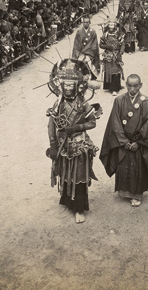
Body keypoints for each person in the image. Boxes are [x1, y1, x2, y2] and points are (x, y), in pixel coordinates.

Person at [99, 74, 148, 207]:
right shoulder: (119, 100)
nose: (132, 89)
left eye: (135, 86)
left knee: (137, 168)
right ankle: (124, 191)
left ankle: (136, 194)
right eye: (129, 85)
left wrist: (138, 142)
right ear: (125, 84)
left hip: (138, 143)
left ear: (140, 85)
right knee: (123, 166)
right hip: (123, 142)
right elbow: (115, 122)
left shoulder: (146, 103)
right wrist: (123, 141)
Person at [46, 58, 99, 224]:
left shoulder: (83, 103)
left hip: (79, 145)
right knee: (65, 173)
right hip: (63, 147)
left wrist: (76, 128)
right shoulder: (57, 104)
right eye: (65, 85)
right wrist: (53, 146)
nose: (68, 88)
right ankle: (68, 201)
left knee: (79, 176)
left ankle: (79, 208)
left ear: (77, 86)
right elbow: (51, 127)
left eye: (71, 85)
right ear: (61, 85)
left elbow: (93, 122)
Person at [99, 18, 125, 96]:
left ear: (115, 25)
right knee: (109, 71)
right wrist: (107, 46)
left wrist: (120, 53)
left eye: (112, 25)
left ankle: (115, 88)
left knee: (116, 71)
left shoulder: (118, 34)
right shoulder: (105, 34)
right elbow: (101, 44)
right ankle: (109, 87)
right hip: (108, 55)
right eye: (110, 25)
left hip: (117, 54)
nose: (111, 26)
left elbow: (122, 44)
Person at [72, 15, 100, 80]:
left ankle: (90, 77)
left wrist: (88, 53)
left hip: (89, 53)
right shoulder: (79, 32)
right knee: (80, 61)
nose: (85, 24)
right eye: (84, 22)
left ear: (89, 23)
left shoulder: (93, 32)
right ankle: (81, 78)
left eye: (87, 22)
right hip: (80, 52)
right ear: (82, 23)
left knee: (88, 61)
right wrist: (79, 53)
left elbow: (94, 45)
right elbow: (76, 44)